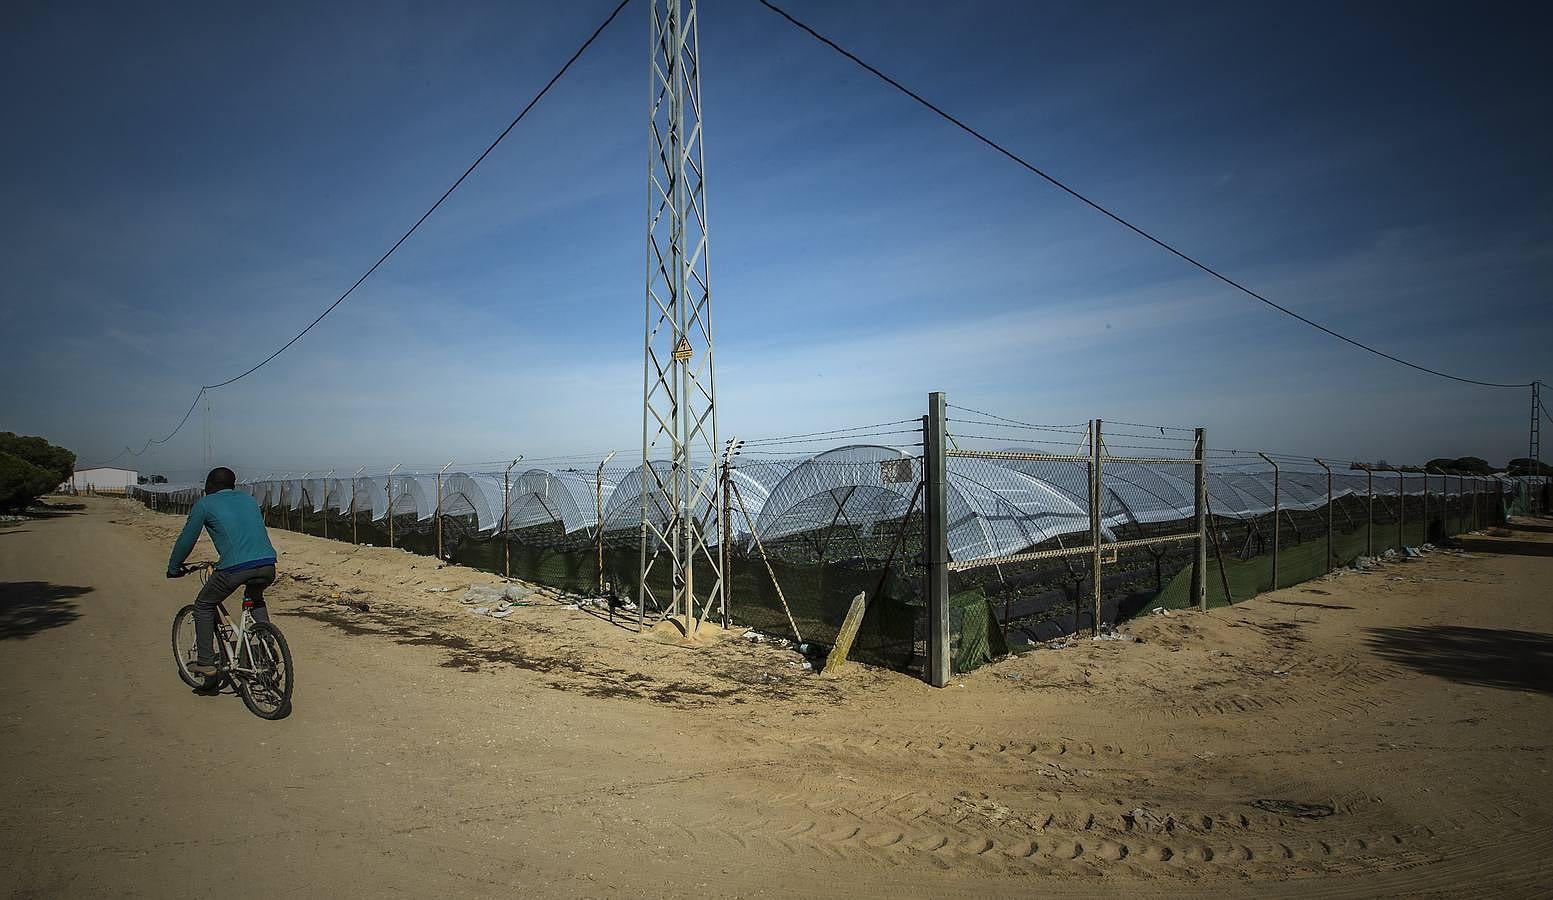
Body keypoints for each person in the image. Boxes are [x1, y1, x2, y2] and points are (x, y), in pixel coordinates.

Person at [167, 467, 277, 676]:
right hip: (268, 564)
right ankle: (266, 647)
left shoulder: (205, 504)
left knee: (204, 604)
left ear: (210, 485)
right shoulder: (248, 500)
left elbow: (186, 540)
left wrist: (174, 568)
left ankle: (206, 661)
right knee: (255, 599)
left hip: (236, 568)